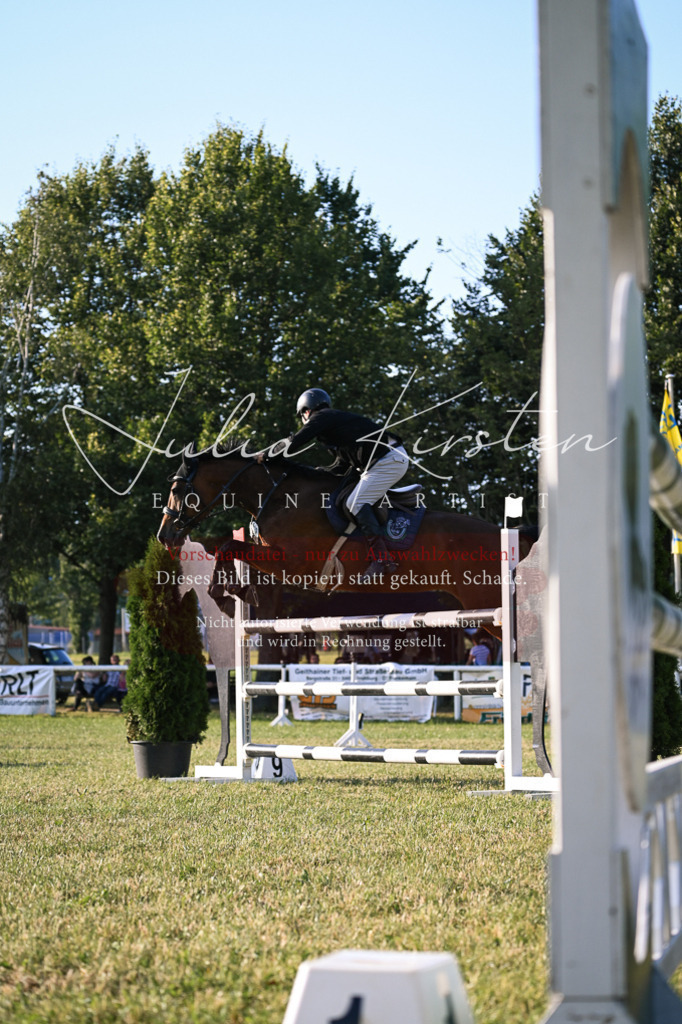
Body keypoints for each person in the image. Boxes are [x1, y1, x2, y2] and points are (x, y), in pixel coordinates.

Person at [285, 388, 410, 582]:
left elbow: (298, 439)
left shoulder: (322, 417)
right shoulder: (335, 426)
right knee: (353, 499)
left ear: (306, 411)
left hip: (388, 460)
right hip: (384, 460)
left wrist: (267, 455)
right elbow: (342, 466)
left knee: (355, 503)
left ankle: (382, 560)